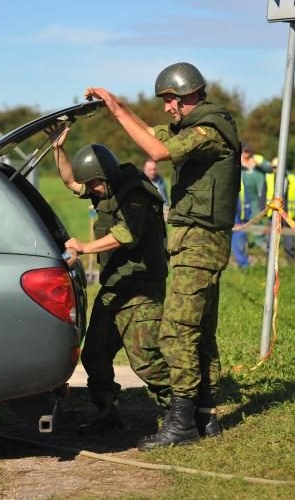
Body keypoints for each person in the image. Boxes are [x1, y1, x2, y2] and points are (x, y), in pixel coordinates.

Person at [85, 62, 240, 449]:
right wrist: (116, 106)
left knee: (176, 331)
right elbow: (153, 134)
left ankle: (181, 423)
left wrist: (118, 110)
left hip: (200, 243)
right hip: (196, 241)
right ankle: (204, 416)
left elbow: (155, 149)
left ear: (188, 95)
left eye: (170, 100)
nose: (167, 108)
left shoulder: (207, 132)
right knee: (201, 332)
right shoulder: (192, 127)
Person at [51, 129, 172, 433]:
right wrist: (58, 149)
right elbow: (70, 181)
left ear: (105, 175)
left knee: (145, 359)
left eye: (93, 183)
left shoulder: (135, 193)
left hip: (141, 288)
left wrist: (84, 247)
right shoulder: (102, 188)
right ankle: (108, 413)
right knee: (95, 354)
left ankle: (182, 412)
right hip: (116, 286)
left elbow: (126, 234)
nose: (90, 189)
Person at [263, 158, 295, 265]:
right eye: (273, 167)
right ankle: (269, 268)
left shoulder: (291, 179)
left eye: (277, 167)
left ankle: (291, 267)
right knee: (270, 244)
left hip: (289, 218)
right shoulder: (268, 179)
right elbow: (263, 197)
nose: (275, 170)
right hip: (272, 217)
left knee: (289, 245)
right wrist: (262, 212)